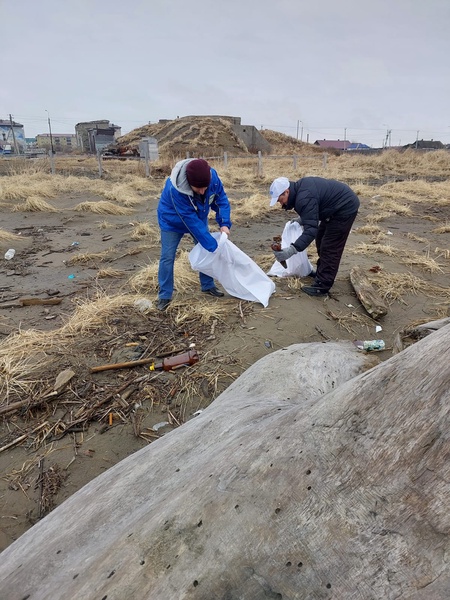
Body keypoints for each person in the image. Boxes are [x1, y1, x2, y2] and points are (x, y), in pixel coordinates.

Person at [156, 158, 232, 311]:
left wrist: (224, 223)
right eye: (198, 189)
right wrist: (213, 246)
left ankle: (207, 285)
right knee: (167, 256)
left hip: (197, 216)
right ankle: (164, 295)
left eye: (205, 188)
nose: (203, 191)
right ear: (189, 183)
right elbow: (189, 220)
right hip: (171, 221)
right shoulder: (175, 188)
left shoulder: (213, 179)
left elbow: (221, 200)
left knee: (205, 248)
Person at [269, 176, 359, 296]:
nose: (281, 203)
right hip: (333, 207)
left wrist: (291, 250)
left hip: (344, 207)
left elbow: (310, 230)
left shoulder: (303, 197)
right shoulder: (300, 191)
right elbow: (313, 206)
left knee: (330, 247)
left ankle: (322, 286)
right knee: (320, 239)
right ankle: (322, 274)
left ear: (286, 191)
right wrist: (303, 219)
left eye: (280, 199)